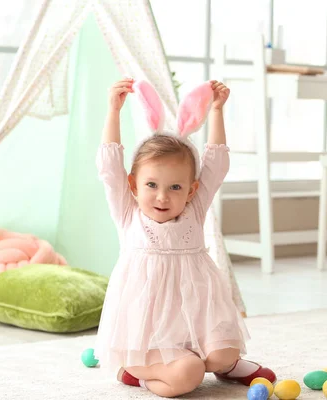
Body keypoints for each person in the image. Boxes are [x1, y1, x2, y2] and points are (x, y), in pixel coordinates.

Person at [95, 78, 276, 397]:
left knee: (224, 354)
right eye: (151, 185)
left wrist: (217, 111)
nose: (162, 197)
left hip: (192, 322)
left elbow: (216, 166)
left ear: (191, 190)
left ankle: (224, 365)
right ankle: (138, 374)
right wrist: (114, 111)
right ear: (134, 184)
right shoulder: (128, 212)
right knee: (189, 374)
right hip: (147, 336)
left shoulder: (194, 208)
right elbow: (110, 168)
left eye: (175, 187)